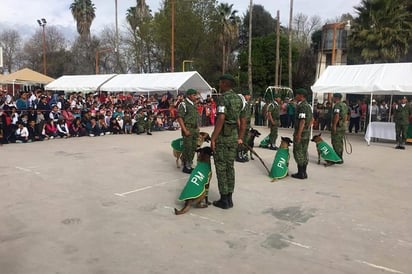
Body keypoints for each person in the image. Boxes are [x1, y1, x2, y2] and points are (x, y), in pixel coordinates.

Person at [210, 74, 246, 209]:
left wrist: (213, 138)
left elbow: (221, 119)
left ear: (225, 83)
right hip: (233, 138)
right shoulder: (239, 99)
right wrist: (240, 137)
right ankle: (229, 198)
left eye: (221, 82)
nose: (219, 85)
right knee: (230, 167)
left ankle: (224, 199)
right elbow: (243, 122)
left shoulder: (223, 98)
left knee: (221, 167)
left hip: (223, 138)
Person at [176, 88, 200, 174]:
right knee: (188, 147)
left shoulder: (193, 104)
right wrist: (185, 130)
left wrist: (197, 127)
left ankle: (186, 161)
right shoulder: (183, 104)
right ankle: (187, 166)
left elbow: (195, 117)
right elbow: (179, 117)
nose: (195, 97)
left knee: (193, 147)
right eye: (194, 95)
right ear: (189, 96)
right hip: (188, 128)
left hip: (194, 129)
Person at [291, 88, 313, 179]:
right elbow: (311, 119)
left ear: (301, 96)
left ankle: (301, 173)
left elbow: (302, 121)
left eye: (297, 94)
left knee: (298, 152)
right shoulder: (308, 106)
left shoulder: (302, 106)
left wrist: (299, 134)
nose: (296, 96)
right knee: (304, 152)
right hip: (306, 133)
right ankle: (304, 172)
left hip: (301, 133)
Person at [331, 93, 348, 163]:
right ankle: (340, 157)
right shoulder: (344, 105)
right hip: (342, 126)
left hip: (338, 127)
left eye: (333, 97)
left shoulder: (337, 105)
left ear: (336, 98)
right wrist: (344, 123)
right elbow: (346, 115)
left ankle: (337, 158)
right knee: (340, 142)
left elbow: (336, 116)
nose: (332, 99)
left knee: (336, 142)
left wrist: (334, 126)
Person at [236, 90, 251, 162]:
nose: (249, 97)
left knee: (245, 141)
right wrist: (239, 125)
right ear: (244, 95)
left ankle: (242, 153)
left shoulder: (246, 104)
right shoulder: (241, 103)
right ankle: (238, 154)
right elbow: (238, 116)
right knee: (240, 140)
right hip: (241, 125)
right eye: (248, 95)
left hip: (246, 125)